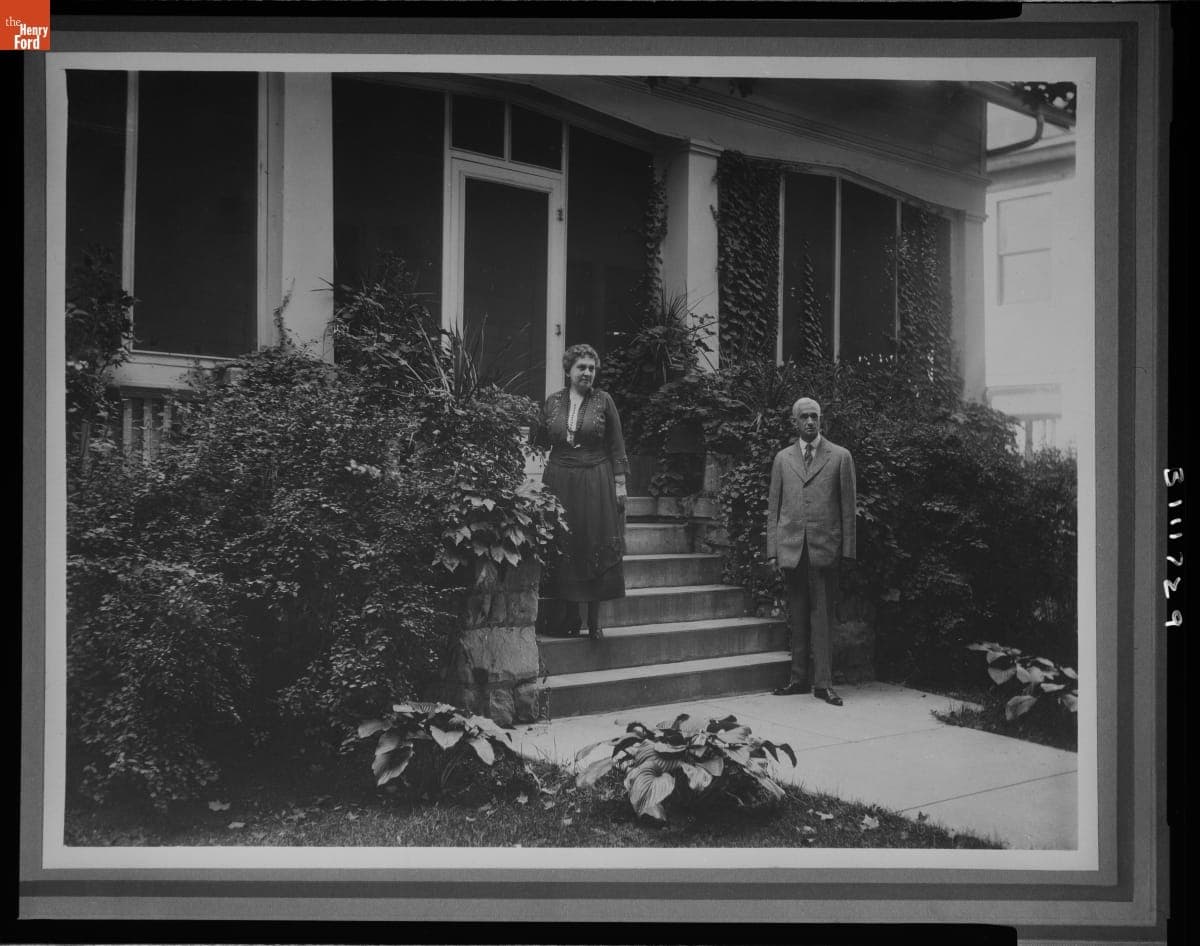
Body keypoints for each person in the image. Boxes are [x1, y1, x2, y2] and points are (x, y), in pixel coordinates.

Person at [766, 396, 857, 706]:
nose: (809, 422)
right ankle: (797, 678)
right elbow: (773, 508)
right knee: (797, 614)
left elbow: (848, 508)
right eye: (804, 417)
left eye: (814, 417)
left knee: (822, 617)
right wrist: (772, 551)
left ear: (821, 420)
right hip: (792, 548)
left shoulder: (840, 457)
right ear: (795, 421)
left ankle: (823, 684)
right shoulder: (782, 459)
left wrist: (848, 551)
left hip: (824, 549)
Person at [535, 343, 628, 639]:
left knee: (593, 540)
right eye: (582, 368)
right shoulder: (551, 402)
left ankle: (595, 621)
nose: (588, 373)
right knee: (563, 542)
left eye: (591, 368)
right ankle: (565, 617)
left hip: (595, 478)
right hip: (559, 479)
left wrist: (620, 483)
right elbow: (539, 441)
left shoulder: (604, 401)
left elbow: (617, 445)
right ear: (568, 371)